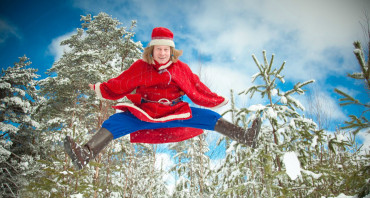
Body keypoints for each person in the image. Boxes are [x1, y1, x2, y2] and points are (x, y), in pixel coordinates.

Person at [64, 27, 261, 170]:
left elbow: (195, 86)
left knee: (209, 117)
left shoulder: (180, 68)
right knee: (115, 122)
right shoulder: (141, 67)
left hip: (176, 112)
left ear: (171, 51)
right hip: (146, 113)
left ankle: (246, 137)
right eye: (159, 49)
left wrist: (214, 98)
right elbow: (121, 83)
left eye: (166, 50)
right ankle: (85, 154)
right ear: (152, 50)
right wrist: (102, 88)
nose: (162, 53)